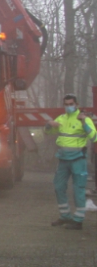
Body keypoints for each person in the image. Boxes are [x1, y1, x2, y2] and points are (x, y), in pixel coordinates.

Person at [46, 94, 97, 229]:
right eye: (66, 104)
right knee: (58, 187)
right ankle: (65, 216)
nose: (69, 106)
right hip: (63, 159)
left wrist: (84, 122)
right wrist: (49, 125)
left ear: (76, 104)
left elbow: (94, 137)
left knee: (78, 189)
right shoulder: (61, 118)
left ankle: (78, 220)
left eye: (71, 104)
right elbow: (48, 133)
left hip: (78, 159)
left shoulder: (84, 119)